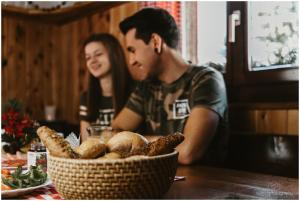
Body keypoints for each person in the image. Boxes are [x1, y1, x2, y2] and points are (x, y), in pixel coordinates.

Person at [112, 8, 228, 165]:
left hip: (206, 184)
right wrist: (166, 143)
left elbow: (188, 152)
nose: (131, 60)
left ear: (155, 42)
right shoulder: (146, 87)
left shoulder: (206, 80)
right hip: (158, 180)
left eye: (133, 50)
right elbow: (114, 134)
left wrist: (137, 141)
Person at [79, 33, 133, 142]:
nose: (92, 60)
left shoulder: (136, 92)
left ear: (114, 54)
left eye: (98, 54)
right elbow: (85, 142)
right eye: (88, 57)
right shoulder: (86, 97)